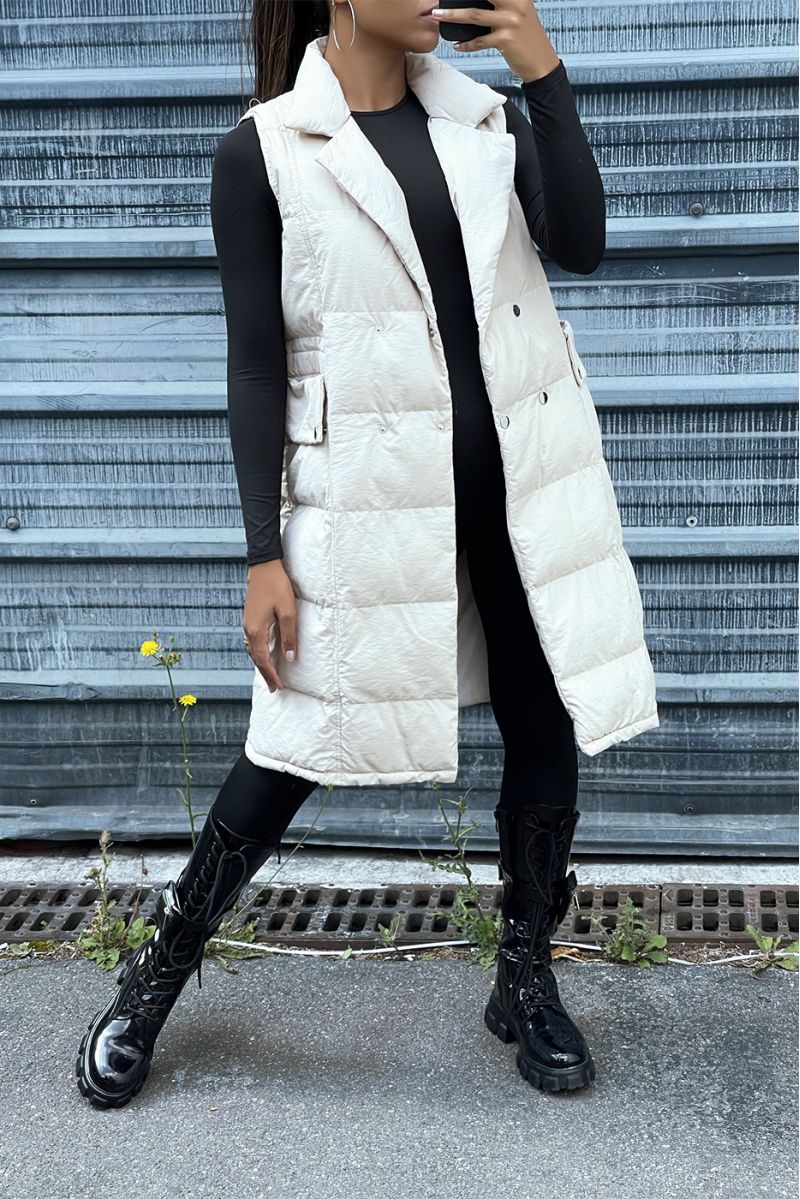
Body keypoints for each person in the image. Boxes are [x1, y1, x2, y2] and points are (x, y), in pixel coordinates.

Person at [76, 0, 630, 1108]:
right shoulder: (266, 150)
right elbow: (253, 363)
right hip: (370, 498)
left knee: (543, 717)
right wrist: (261, 553)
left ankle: (524, 974)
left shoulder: (482, 122)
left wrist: (542, 72)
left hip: (521, 483)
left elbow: (581, 244)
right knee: (294, 738)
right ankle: (156, 972)